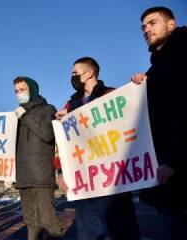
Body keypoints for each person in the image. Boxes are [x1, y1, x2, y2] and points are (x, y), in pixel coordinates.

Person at [56, 57, 140, 240]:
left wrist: (138, 87)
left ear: (89, 72)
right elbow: (67, 143)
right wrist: (63, 172)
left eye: (75, 73)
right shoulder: (70, 104)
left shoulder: (110, 95)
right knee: (88, 233)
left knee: (121, 229)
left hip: (112, 178)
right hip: (84, 181)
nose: (72, 77)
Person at [131, 6, 187, 239]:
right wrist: (143, 85)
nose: (146, 29)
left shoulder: (182, 55)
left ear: (171, 24)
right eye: (143, 26)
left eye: (152, 23)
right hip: (166, 171)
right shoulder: (155, 69)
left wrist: (174, 159)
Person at [12, 76, 62, 240]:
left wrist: (25, 117)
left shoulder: (47, 109)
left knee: (49, 223)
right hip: (24, 177)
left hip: (40, 177)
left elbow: (47, 135)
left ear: (32, 90)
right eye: (16, 91)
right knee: (31, 223)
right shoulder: (17, 115)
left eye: (22, 90)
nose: (19, 94)